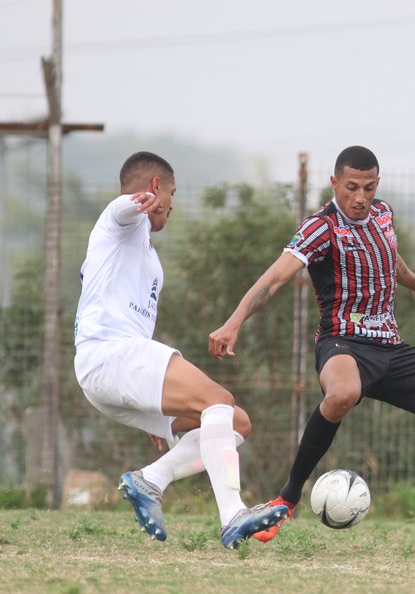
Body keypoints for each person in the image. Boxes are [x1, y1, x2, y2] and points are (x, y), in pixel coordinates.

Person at [209, 145, 415, 557]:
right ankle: (285, 501)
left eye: (369, 187)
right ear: (334, 183)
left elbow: (389, 257)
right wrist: (233, 323)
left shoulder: (382, 213)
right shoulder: (320, 228)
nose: (361, 197)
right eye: (352, 187)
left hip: (392, 350)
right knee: (342, 393)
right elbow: (274, 279)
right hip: (343, 343)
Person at [73, 151, 287, 549]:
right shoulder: (118, 224)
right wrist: (137, 202)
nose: (172, 204)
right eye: (171, 193)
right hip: (110, 354)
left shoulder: (145, 253)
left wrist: (154, 399)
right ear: (156, 187)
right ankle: (232, 515)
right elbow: (120, 209)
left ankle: (150, 480)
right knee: (217, 400)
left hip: (116, 369)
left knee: (236, 422)